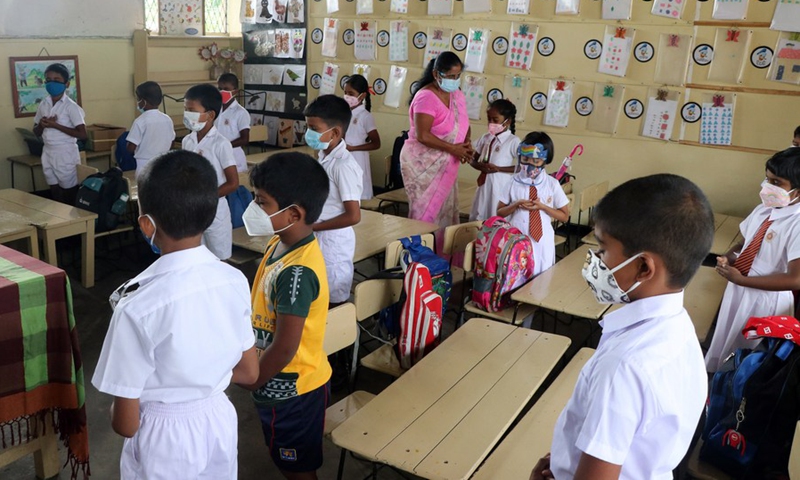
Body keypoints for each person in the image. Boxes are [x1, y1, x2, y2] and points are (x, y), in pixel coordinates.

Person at [531, 174, 714, 480]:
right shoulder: (678, 327)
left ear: (644, 267)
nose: (596, 260)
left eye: (602, 249)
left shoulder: (624, 366)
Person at [92, 150, 259, 480]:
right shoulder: (234, 279)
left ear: (146, 224)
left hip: (162, 437)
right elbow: (250, 372)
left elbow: (125, 424)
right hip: (219, 419)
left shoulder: (136, 306)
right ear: (209, 215)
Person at [238, 152, 332, 480]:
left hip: (294, 393)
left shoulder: (298, 272)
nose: (253, 208)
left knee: (297, 469)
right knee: (284, 457)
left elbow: (285, 346)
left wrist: (253, 378)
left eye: (261, 202)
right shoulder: (278, 243)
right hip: (273, 383)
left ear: (293, 213)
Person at [705, 148, 800, 372]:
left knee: (751, 356)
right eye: (767, 179)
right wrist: (730, 256)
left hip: (767, 299)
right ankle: (718, 385)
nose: (767, 187)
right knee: (726, 339)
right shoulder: (763, 209)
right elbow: (745, 243)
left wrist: (741, 280)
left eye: (777, 183)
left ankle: (738, 399)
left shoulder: (797, 223)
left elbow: (796, 279)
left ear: (797, 191)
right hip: (740, 288)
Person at [400, 51, 473, 228]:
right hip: (423, 164)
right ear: (436, 74)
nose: (454, 80)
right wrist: (453, 149)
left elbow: (463, 123)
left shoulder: (456, 94)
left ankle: (441, 254)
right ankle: (420, 253)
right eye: (450, 76)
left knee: (446, 214)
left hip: (447, 163)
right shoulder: (426, 97)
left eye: (457, 76)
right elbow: (422, 135)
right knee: (425, 215)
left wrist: (466, 144)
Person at [303, 95, 362, 306]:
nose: (308, 133)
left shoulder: (342, 165)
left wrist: (314, 226)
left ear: (335, 132)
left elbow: (353, 215)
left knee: (332, 300)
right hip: (320, 237)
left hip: (333, 244)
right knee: (318, 296)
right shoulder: (324, 156)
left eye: (314, 129)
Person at [497, 132, 569, 276]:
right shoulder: (513, 181)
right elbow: (500, 212)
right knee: (516, 276)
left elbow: (564, 216)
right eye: (525, 159)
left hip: (542, 241)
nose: (530, 165)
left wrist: (543, 207)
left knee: (541, 277)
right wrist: (515, 204)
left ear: (545, 161)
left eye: (536, 161)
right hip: (517, 239)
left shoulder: (552, 184)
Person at [182, 83, 239, 261]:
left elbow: (233, 183)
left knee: (219, 259)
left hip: (215, 210)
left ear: (210, 114)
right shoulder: (187, 141)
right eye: (185, 109)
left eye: (191, 110)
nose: (186, 114)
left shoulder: (221, 144)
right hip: (192, 208)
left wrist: (207, 197)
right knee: (195, 258)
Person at [33, 62, 86, 205]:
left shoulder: (71, 107)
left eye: (56, 80)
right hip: (48, 151)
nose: (51, 84)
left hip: (65, 153)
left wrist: (55, 125)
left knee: (69, 191)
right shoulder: (44, 104)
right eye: (48, 80)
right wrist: (42, 125)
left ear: (67, 84)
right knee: (54, 189)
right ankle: (59, 222)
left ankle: (74, 223)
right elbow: (36, 131)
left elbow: (82, 134)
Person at [469, 99, 520, 221]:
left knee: (495, 216)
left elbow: (522, 167)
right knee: (479, 215)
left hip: (499, 185)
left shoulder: (513, 141)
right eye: (489, 119)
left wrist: (499, 168)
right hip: (483, 184)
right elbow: (472, 159)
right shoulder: (485, 138)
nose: (491, 122)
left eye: (495, 120)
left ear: (508, 121)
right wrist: (479, 166)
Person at [343, 74, 381, 199]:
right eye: (345, 93)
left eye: (351, 93)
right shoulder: (344, 113)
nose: (347, 96)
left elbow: (376, 143)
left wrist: (353, 148)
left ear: (362, 95)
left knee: (358, 193)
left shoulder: (365, 116)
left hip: (357, 157)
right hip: (344, 158)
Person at [127, 81, 175, 178]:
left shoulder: (140, 121)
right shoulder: (167, 119)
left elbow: (130, 147)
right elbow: (172, 141)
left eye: (138, 99)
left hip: (144, 165)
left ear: (144, 101)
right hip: (163, 163)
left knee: (146, 190)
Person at [215, 73, 251, 172]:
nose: (222, 92)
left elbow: (245, 139)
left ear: (235, 91)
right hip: (217, 154)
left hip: (234, 155)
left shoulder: (240, 112)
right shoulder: (215, 109)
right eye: (219, 89)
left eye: (226, 89)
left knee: (235, 184)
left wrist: (225, 146)